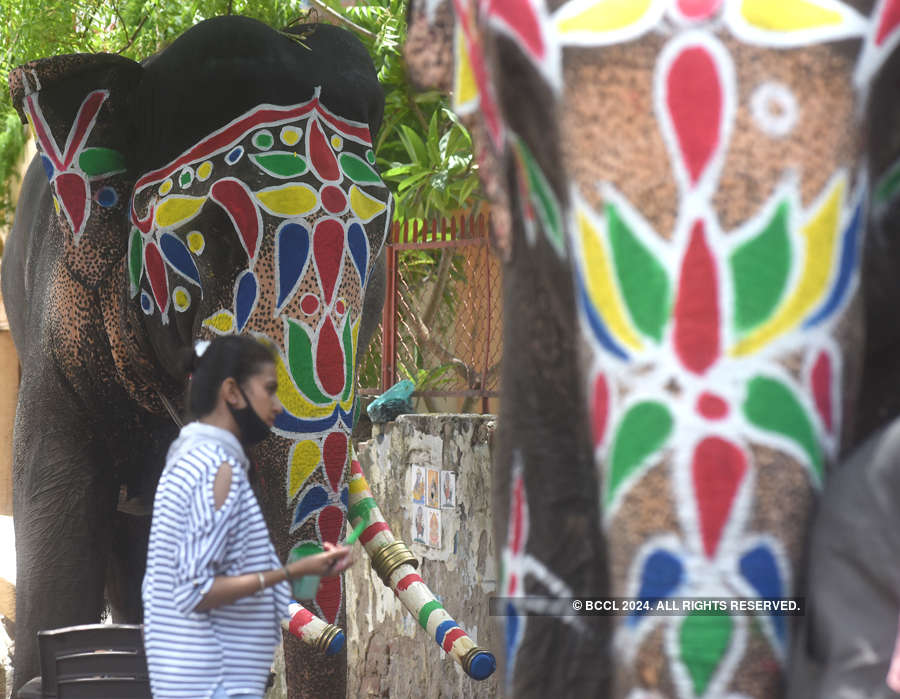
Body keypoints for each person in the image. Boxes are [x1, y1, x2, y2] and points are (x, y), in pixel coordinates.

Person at [142, 336, 353, 698]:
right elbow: (196, 590)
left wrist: (307, 570)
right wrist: (294, 572)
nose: (277, 406)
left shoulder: (195, 459)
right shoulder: (216, 468)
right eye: (269, 390)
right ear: (232, 392)